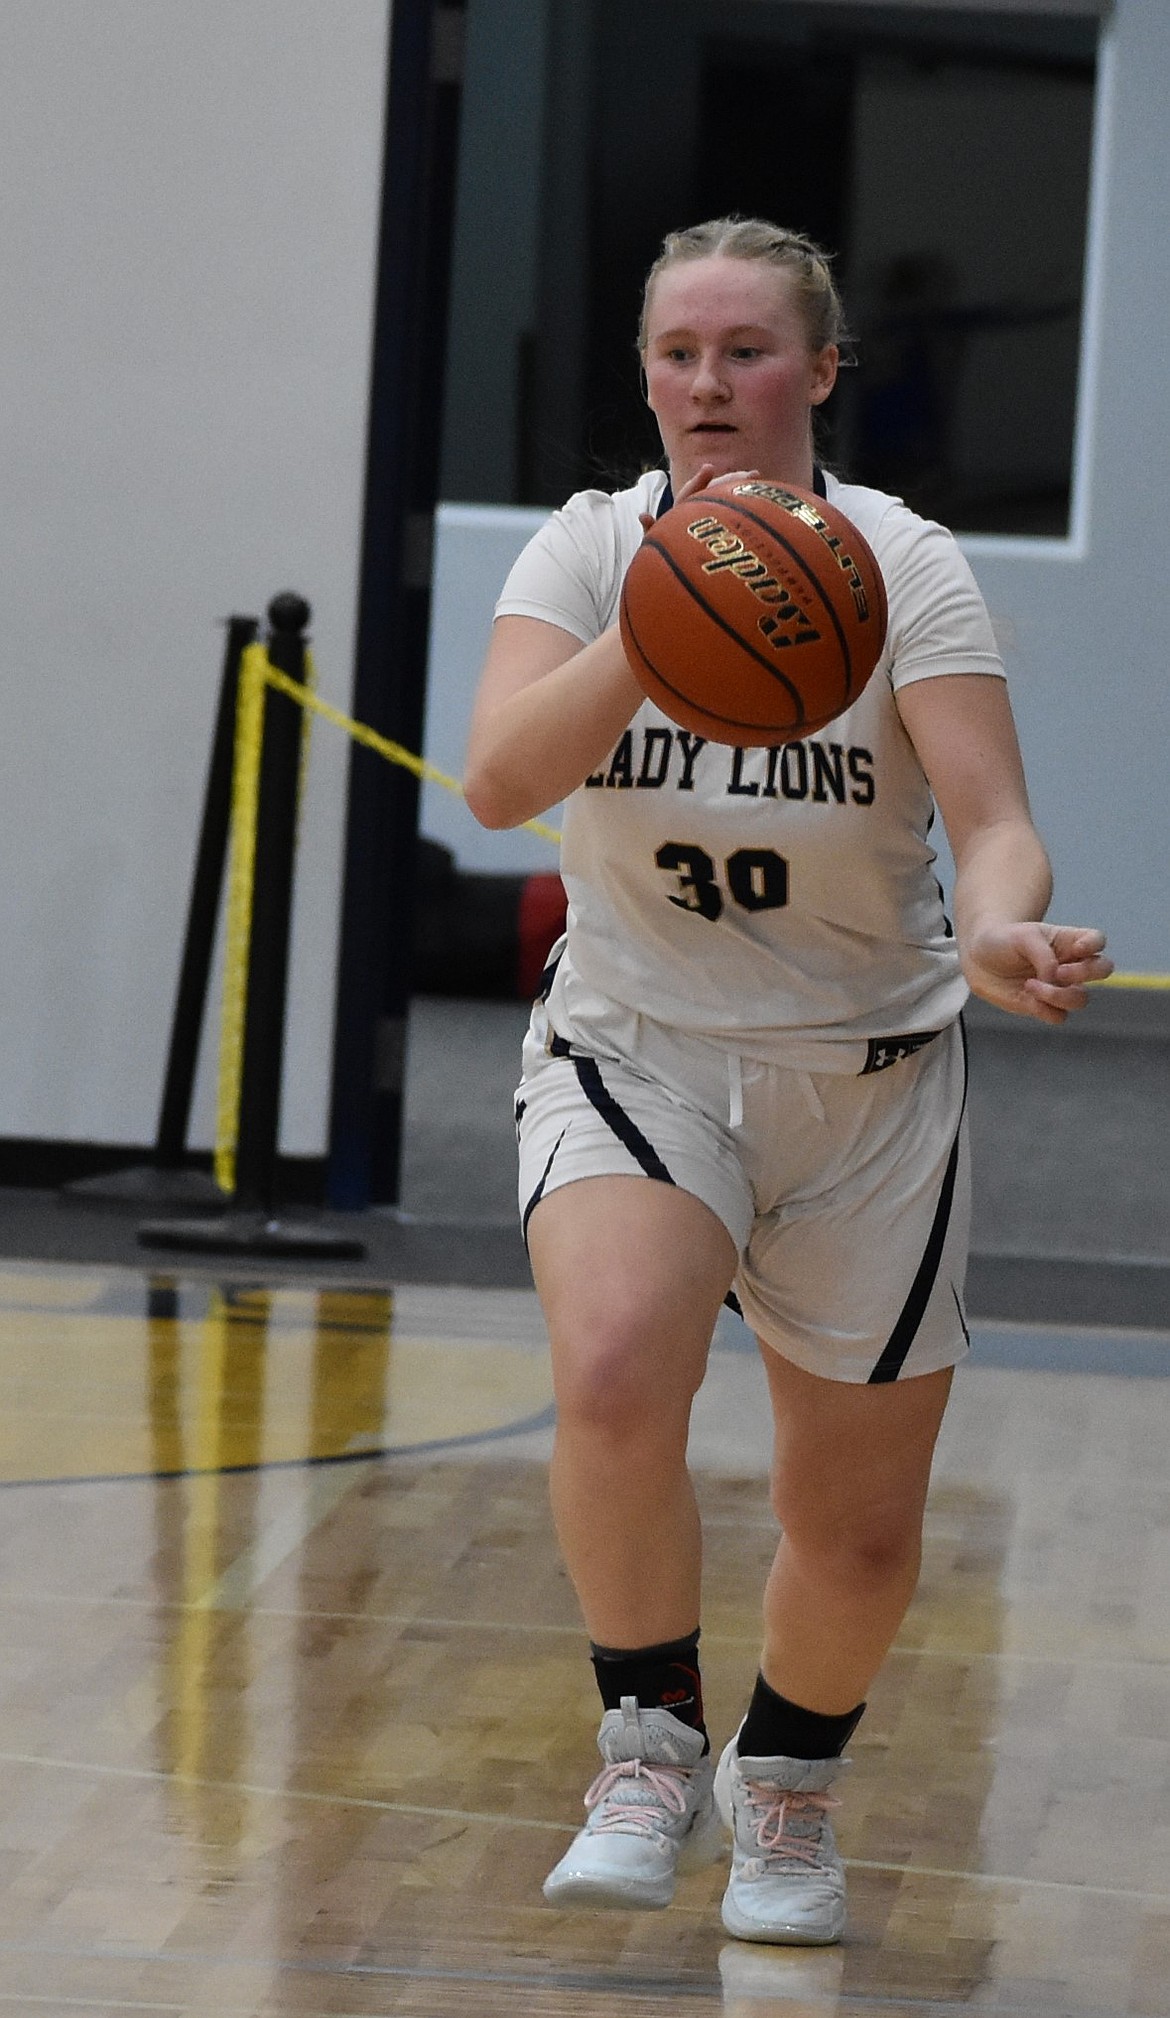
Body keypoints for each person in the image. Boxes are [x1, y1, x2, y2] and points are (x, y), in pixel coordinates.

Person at [463, 216, 1110, 1947]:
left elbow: (992, 819)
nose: (705, 385)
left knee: (861, 1527)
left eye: (746, 351)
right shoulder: (592, 553)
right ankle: (647, 1742)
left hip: (866, 1076)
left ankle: (789, 1793)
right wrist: (665, 621)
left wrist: (996, 930)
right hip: (638, 1047)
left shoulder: (902, 562)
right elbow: (497, 781)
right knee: (611, 1365)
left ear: (819, 371)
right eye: (677, 354)